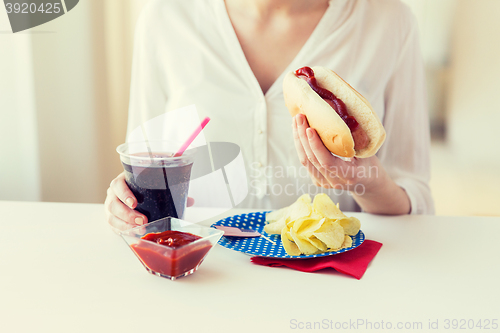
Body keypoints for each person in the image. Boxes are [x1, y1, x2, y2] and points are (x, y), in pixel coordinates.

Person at [105, 0, 434, 232]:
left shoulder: (389, 22)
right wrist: (129, 203)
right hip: (202, 274)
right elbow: (144, 165)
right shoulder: (165, 18)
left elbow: (415, 198)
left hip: (332, 283)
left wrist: (363, 181)